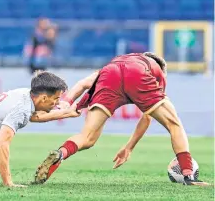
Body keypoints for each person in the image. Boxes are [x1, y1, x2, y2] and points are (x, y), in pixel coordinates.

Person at [33, 52, 209, 186]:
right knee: (174, 124)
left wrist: (67, 102)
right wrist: (129, 147)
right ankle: (188, 175)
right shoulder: (156, 71)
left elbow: (83, 84)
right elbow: (147, 118)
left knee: (87, 137)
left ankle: (60, 154)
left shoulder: (121, 60)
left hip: (110, 75)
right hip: (137, 75)